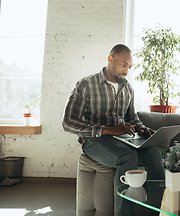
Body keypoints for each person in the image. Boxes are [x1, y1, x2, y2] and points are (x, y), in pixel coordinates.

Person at [62, 44, 165, 214]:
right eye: (124, 65)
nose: (126, 70)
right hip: (94, 141)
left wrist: (141, 128)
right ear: (110, 59)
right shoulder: (86, 85)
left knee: (154, 152)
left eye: (129, 67)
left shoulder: (128, 89)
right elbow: (68, 122)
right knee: (127, 156)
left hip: (122, 139)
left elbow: (132, 119)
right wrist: (108, 130)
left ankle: (156, 212)